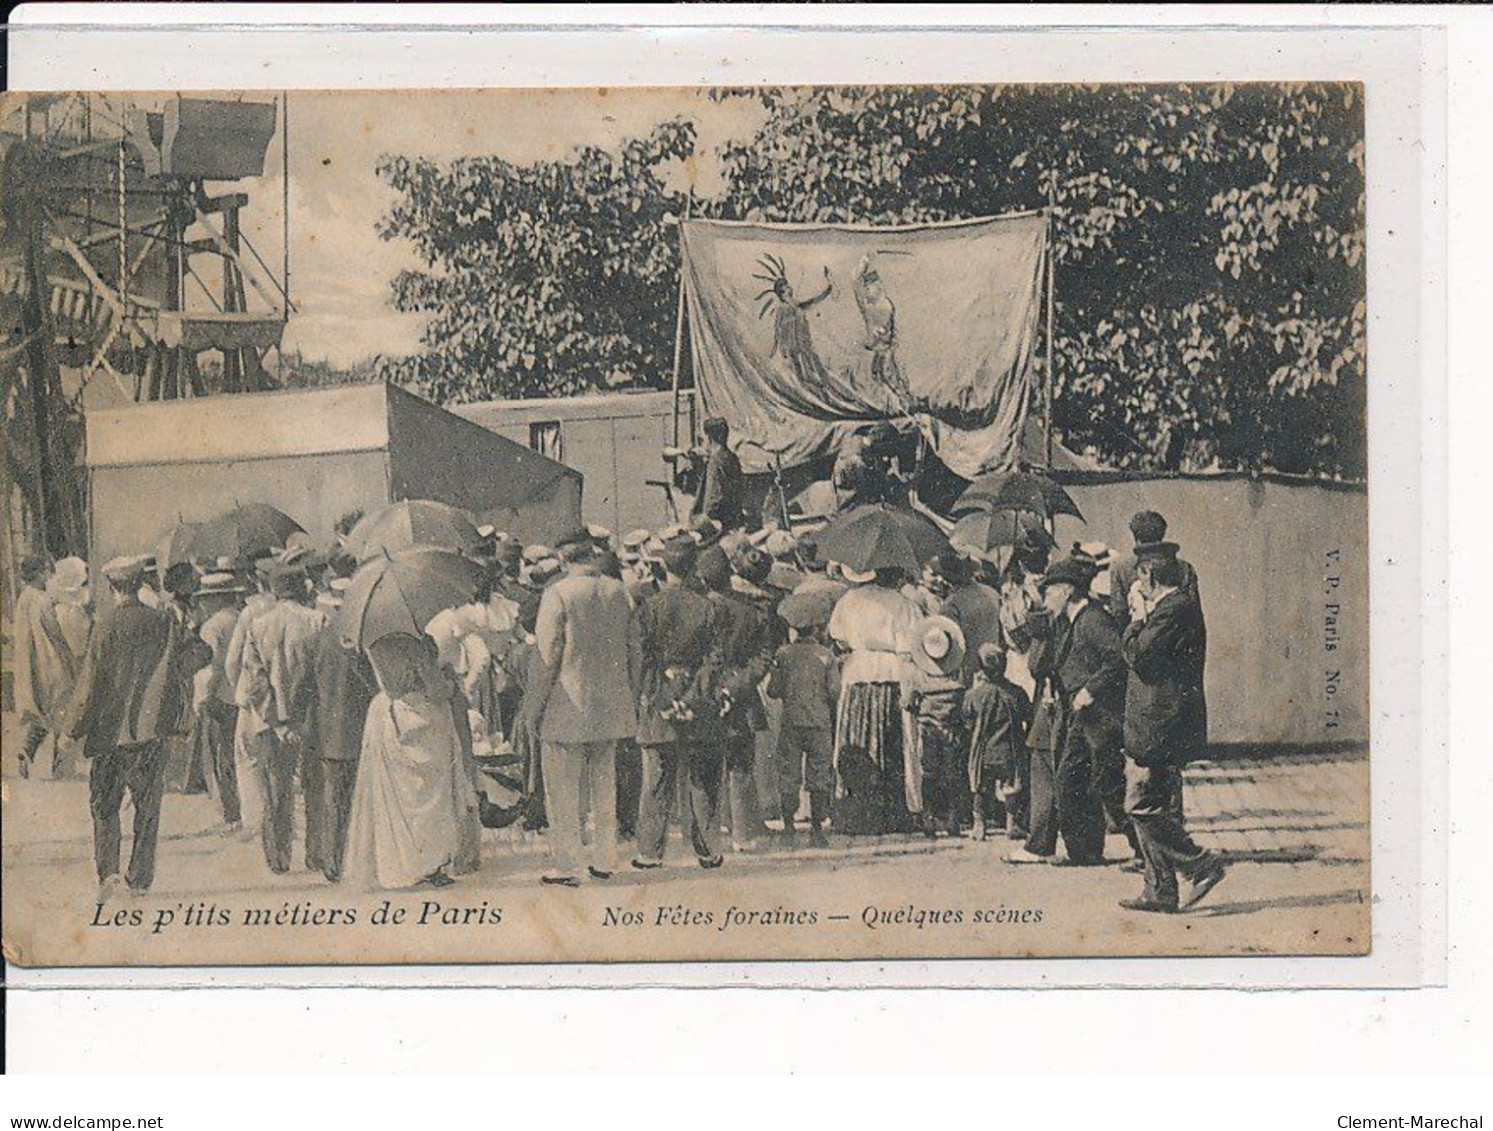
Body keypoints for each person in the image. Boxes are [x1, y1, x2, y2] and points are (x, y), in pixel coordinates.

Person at [66, 556, 204, 902]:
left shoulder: (107, 625)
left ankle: (109, 874)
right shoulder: (163, 621)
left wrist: (70, 730)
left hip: (110, 736)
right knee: (147, 806)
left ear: (113, 587)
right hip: (150, 732)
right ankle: (140, 879)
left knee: (105, 805)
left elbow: (89, 684)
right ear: (140, 583)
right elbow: (193, 658)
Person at [1119, 540, 1226, 913]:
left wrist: (1135, 618)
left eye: (1138, 574)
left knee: (1140, 805)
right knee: (1154, 804)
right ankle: (1160, 890)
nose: (1135, 581)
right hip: (1159, 723)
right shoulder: (1170, 609)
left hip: (1160, 725)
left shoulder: (1174, 609)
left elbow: (1138, 656)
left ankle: (1200, 864)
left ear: (1148, 574)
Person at [528, 536, 642, 886]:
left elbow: (546, 657)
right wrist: (630, 696)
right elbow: (634, 649)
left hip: (566, 706)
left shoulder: (558, 594)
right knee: (604, 785)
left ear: (563, 559)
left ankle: (567, 864)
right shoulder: (619, 592)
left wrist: (533, 707)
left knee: (563, 793)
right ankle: (606, 859)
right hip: (610, 705)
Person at [1006, 556, 1126, 867]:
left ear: (1067, 590)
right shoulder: (1069, 622)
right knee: (1073, 780)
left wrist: (1091, 689)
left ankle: (1144, 850)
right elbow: (1042, 664)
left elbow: (1117, 660)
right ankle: (1084, 852)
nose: (1046, 599)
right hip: (1078, 712)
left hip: (1096, 713)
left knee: (1100, 785)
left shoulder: (1093, 620)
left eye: (1050, 592)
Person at [344, 633, 472, 890]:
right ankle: (429, 864)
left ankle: (399, 864)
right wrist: (452, 686)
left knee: (393, 798)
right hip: (421, 719)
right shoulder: (415, 642)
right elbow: (436, 690)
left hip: (386, 719)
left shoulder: (371, 645)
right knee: (429, 795)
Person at [632, 535, 723, 870]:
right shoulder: (707, 607)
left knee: (655, 780)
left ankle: (650, 852)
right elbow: (714, 660)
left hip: (658, 702)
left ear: (663, 566)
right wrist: (691, 696)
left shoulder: (649, 607)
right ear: (694, 566)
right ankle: (708, 849)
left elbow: (642, 659)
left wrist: (662, 696)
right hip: (699, 704)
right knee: (702, 781)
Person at [237, 562, 327, 874]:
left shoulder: (258, 626)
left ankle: (278, 858)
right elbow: (322, 677)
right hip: (312, 719)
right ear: (303, 588)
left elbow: (255, 683)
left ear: (275, 592)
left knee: (276, 790)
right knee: (316, 787)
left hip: (271, 723)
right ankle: (317, 853)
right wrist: (300, 720)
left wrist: (277, 722)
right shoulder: (319, 621)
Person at [828, 565, 923, 835]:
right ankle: (893, 811)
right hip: (892, 672)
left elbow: (839, 637)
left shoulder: (850, 600)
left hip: (858, 672)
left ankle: (855, 810)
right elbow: (910, 648)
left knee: (855, 737)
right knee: (894, 740)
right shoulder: (904, 604)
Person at [309, 578, 377, 883]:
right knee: (360, 798)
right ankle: (356, 858)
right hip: (362, 729)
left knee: (333, 797)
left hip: (329, 731)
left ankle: (332, 862)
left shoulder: (320, 638)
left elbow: (306, 686)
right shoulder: (364, 639)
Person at [765, 621, 840, 849]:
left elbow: (773, 690)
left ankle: (789, 827)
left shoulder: (783, 654)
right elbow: (835, 691)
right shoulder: (826, 656)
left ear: (794, 629)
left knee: (789, 774)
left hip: (791, 722)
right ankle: (817, 829)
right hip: (819, 722)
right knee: (819, 774)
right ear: (816, 630)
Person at [191, 570, 248, 835]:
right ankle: (241, 810)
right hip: (241, 697)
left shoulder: (212, 626)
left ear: (215, 599)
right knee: (237, 756)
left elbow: (209, 667)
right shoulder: (243, 619)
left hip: (219, 698)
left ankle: (231, 814)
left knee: (221, 758)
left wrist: (202, 699)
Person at [903, 615, 968, 838]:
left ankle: (928, 819)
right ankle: (952, 820)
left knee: (929, 773)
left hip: (928, 730)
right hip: (952, 731)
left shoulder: (918, 675)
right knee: (953, 773)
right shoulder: (957, 673)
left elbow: (907, 703)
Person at [14, 554, 77, 779]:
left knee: (40, 713)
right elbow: (56, 633)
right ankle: (59, 766)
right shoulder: (43, 601)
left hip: (31, 665)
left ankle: (25, 750)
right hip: (51, 664)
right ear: (39, 573)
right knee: (63, 714)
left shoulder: (24, 598)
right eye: (46, 572)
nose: (49, 576)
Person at [963, 642, 1032, 841]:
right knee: (1011, 789)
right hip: (1010, 751)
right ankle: (1012, 824)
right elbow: (1029, 717)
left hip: (983, 752)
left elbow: (966, 720)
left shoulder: (974, 695)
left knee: (981, 789)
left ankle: (979, 825)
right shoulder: (1016, 693)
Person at [1109, 511, 1201, 630]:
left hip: (1139, 640)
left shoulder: (1121, 569)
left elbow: (1119, 614)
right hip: (1178, 639)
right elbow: (1195, 614)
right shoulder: (1185, 568)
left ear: (1135, 538)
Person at [934, 548, 1004, 684]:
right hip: (995, 663)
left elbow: (949, 644)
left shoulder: (951, 605)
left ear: (946, 577)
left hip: (968, 670)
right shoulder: (992, 593)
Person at [690, 417, 745, 532]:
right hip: (733, 520)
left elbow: (713, 495)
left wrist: (706, 520)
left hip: (717, 523)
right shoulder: (732, 457)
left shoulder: (715, 461)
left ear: (709, 437)